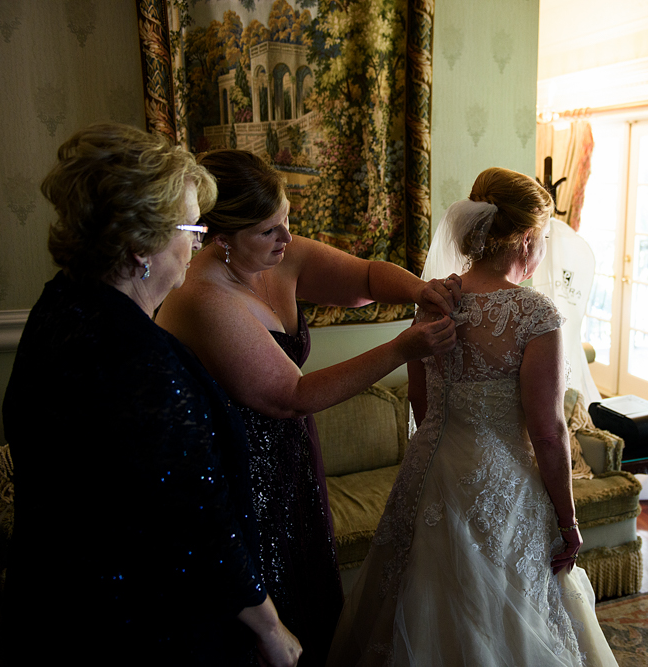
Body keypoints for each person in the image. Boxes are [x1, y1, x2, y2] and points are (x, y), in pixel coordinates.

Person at [1, 124, 301, 666]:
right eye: (191, 226)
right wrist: (270, 626)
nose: (199, 241)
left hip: (55, 601)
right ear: (141, 243)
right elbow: (198, 517)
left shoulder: (60, 306)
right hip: (142, 624)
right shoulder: (137, 358)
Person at [155, 149, 460, 665]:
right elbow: (292, 396)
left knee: (313, 597)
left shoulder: (280, 257)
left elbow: (364, 280)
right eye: (270, 230)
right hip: (240, 478)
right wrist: (402, 348)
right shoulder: (200, 299)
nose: (287, 239)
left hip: (294, 462)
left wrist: (420, 290)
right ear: (221, 237)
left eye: (287, 220)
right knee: (267, 617)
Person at [326, 168, 618, 666]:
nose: (543, 249)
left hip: (429, 471)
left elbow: (421, 404)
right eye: (543, 238)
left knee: (417, 595)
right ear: (526, 239)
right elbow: (547, 434)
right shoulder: (534, 315)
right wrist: (569, 521)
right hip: (502, 482)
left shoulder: (435, 301)